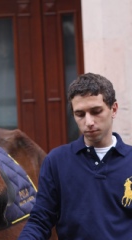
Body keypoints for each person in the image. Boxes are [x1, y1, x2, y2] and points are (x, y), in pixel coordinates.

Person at [18, 72, 132, 240]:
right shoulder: (56, 161)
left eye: (96, 111)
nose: (89, 122)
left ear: (113, 109)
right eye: (80, 114)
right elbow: (40, 221)